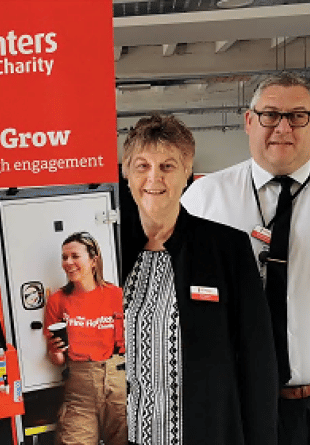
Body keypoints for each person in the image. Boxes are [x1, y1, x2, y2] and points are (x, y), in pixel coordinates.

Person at [121, 114, 277, 445]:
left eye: (167, 166)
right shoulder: (112, 252)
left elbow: (258, 363)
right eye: (142, 166)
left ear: (187, 172)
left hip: (209, 434)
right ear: (126, 172)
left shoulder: (226, 249)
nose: (153, 178)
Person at [182, 72, 310, 445]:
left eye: (298, 115)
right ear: (248, 121)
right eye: (270, 114)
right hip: (239, 403)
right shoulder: (203, 199)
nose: (283, 127)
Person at [43, 232, 126, 445]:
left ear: (93, 260)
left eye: (74, 256)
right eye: (64, 257)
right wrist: (55, 350)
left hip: (118, 385)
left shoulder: (117, 295)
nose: (68, 263)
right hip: (79, 392)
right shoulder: (57, 301)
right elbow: (58, 360)